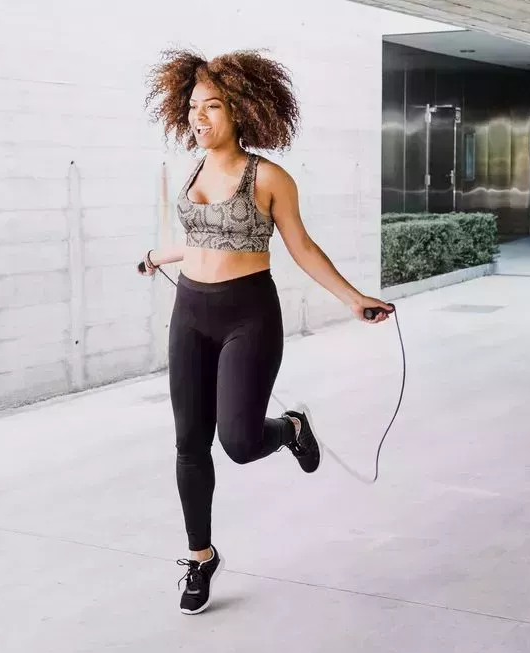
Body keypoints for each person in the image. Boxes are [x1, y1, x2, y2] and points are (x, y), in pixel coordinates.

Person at [140, 48, 392, 616]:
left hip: (247, 315)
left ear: (243, 110)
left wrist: (354, 299)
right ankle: (200, 556)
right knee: (188, 443)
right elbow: (205, 237)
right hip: (190, 311)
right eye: (192, 107)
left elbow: (300, 247)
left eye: (213, 107)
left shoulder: (269, 177)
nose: (199, 118)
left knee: (238, 442)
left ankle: (289, 427)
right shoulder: (196, 167)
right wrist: (158, 254)